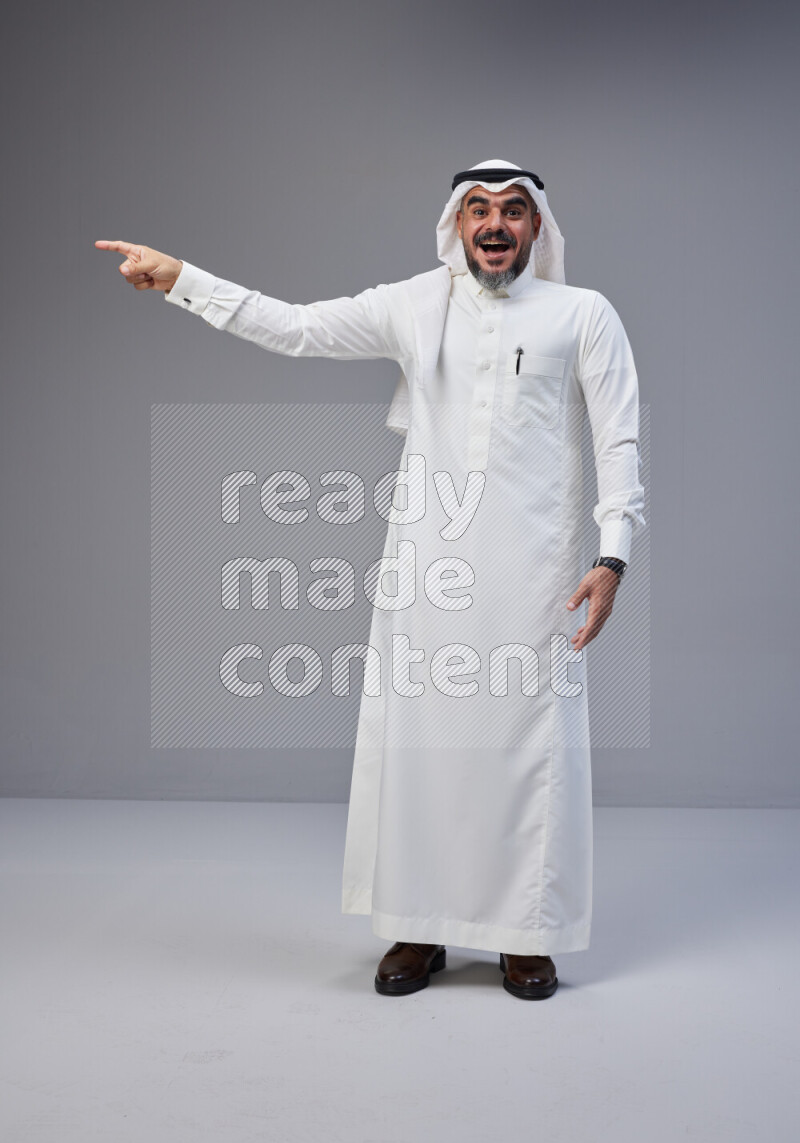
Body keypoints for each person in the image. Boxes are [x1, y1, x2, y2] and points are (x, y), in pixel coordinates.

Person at [96, 157, 645, 1001]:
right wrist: (181, 280)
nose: (494, 225)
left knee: (527, 751)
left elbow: (618, 442)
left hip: (538, 575)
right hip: (428, 570)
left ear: (537, 226)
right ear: (456, 225)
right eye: (477, 210)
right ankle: (419, 926)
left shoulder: (584, 314)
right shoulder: (412, 305)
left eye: (511, 211)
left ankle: (526, 934)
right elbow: (295, 326)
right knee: (423, 752)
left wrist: (611, 558)